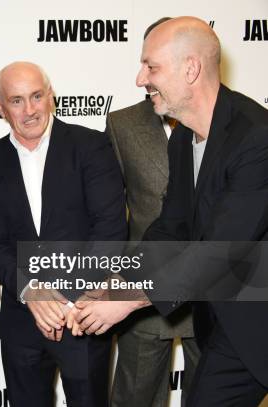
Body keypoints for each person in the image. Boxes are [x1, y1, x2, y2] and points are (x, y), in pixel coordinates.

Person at [72, 16, 268, 406]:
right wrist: (116, 283)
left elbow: (218, 252)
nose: (140, 79)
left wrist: (127, 299)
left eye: (151, 66)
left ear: (191, 68)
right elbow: (170, 229)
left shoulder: (256, 137)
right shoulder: (182, 139)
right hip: (226, 323)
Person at [0, 61, 126, 407]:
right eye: (16, 101)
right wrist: (31, 291)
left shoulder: (91, 146)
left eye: (37, 96)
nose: (30, 110)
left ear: (51, 97)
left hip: (83, 315)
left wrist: (66, 298)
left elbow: (110, 227)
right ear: (0, 108)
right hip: (22, 320)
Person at [106, 17, 200, 407]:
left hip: (211, 292)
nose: (142, 77)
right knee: (134, 397)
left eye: (153, 65)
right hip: (143, 288)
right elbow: (112, 211)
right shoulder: (122, 123)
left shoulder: (230, 125)